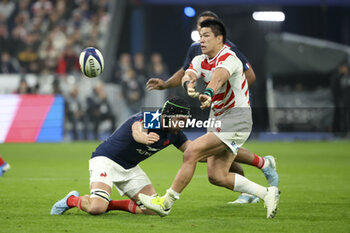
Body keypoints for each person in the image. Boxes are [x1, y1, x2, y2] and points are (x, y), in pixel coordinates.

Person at [139, 19, 280, 219]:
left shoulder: (229, 57)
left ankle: (166, 202)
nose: (201, 41)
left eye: (206, 36)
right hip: (219, 118)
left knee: (192, 152)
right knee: (217, 175)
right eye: (200, 36)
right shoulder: (199, 59)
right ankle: (266, 193)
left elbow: (219, 77)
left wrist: (209, 92)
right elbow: (189, 73)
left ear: (219, 38)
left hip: (236, 117)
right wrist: (189, 85)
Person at [50, 97, 192, 216]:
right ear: (167, 115)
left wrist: (212, 150)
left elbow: (194, 151)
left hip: (130, 168)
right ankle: (71, 199)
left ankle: (109, 204)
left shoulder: (176, 134)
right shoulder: (151, 118)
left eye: (185, 120)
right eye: (180, 119)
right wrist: (144, 138)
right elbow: (137, 129)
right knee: (96, 208)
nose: (182, 124)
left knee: (153, 210)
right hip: (106, 160)